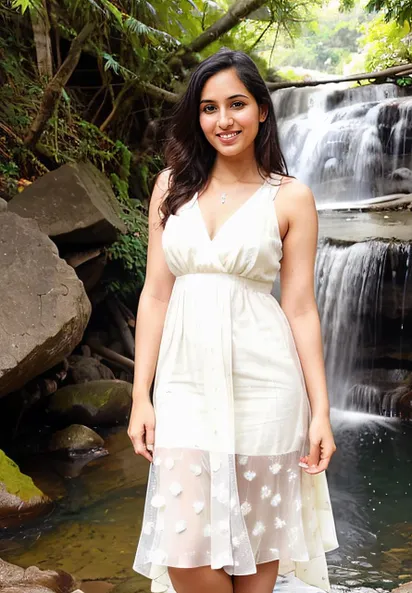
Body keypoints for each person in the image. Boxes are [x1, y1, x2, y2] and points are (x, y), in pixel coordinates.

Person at [128, 47, 339, 593]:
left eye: (237, 104)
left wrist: (321, 412)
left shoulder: (290, 197)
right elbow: (154, 295)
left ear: (263, 110)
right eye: (208, 108)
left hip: (267, 388)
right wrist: (140, 396)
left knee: (256, 560)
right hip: (185, 386)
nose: (223, 120)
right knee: (187, 555)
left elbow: (300, 307)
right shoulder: (170, 188)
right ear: (196, 117)